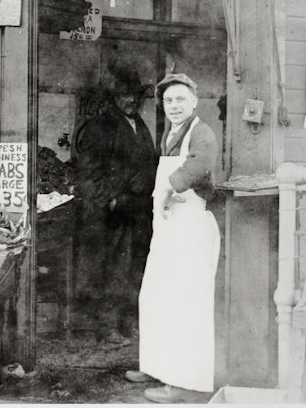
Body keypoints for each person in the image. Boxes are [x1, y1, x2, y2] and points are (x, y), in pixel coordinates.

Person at [125, 73, 221, 403]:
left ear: (194, 101)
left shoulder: (202, 132)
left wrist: (169, 187)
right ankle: (156, 366)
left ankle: (182, 382)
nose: (174, 106)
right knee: (156, 296)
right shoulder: (171, 133)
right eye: (168, 101)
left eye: (181, 99)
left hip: (190, 227)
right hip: (169, 228)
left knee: (184, 304)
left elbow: (201, 165)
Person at [72, 70, 159, 343]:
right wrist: (107, 202)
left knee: (135, 267)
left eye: (136, 95)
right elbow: (88, 173)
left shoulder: (140, 125)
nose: (131, 100)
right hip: (114, 213)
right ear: (114, 98)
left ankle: (128, 322)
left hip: (138, 209)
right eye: (125, 95)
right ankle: (107, 327)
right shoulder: (101, 126)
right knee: (112, 270)